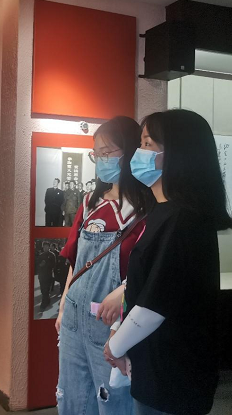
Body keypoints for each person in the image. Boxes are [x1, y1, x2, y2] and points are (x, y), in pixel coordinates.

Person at [104, 110, 229, 415]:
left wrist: (114, 347)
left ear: (176, 155)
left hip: (173, 376)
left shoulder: (184, 220)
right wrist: (119, 328)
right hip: (152, 365)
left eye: (147, 144)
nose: (138, 153)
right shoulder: (163, 211)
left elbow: (155, 304)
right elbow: (144, 281)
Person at [55, 117, 154, 415]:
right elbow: (75, 261)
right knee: (72, 398)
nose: (101, 160)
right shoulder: (90, 202)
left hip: (112, 324)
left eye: (107, 152)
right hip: (74, 319)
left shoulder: (146, 210)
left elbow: (151, 270)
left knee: (111, 401)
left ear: (129, 151)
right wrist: (63, 307)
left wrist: (123, 291)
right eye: (96, 154)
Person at [37, 241, 56, 311]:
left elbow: (54, 265)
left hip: (48, 275)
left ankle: (43, 304)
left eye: (46, 247)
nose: (45, 248)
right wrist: (40, 265)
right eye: (44, 247)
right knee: (42, 290)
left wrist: (46, 264)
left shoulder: (52, 255)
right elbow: (37, 265)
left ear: (49, 247)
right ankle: (47, 300)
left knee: (46, 290)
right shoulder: (40, 255)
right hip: (41, 276)